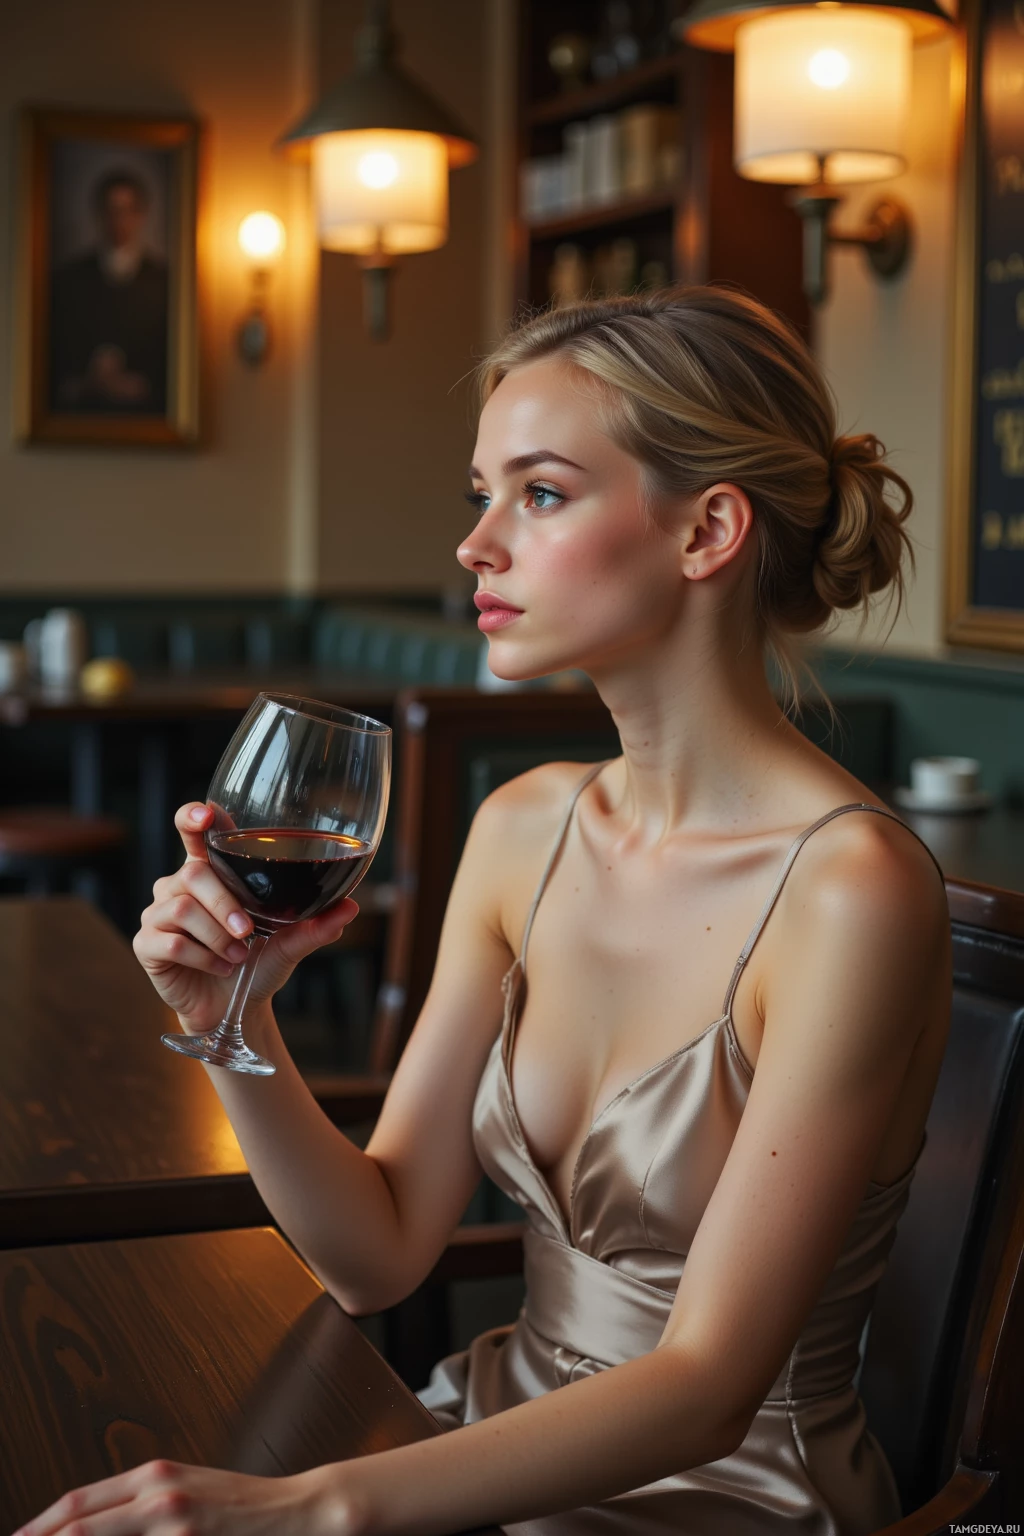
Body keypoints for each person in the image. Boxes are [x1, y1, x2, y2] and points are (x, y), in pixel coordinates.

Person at [21, 288, 951, 1536]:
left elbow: (707, 1391)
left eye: (542, 493)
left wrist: (310, 1510)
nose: (476, 543)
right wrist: (239, 1021)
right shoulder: (525, 826)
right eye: (482, 494)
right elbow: (379, 1251)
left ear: (707, 530)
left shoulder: (852, 893)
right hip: (482, 1439)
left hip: (718, 1499)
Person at [49, 168, 169, 414]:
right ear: (99, 214)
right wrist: (88, 379)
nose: (119, 220)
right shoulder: (69, 278)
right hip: (78, 417)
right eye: (111, 210)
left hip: (145, 419)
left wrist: (137, 384)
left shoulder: (164, 281)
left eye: (127, 211)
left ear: (141, 215)